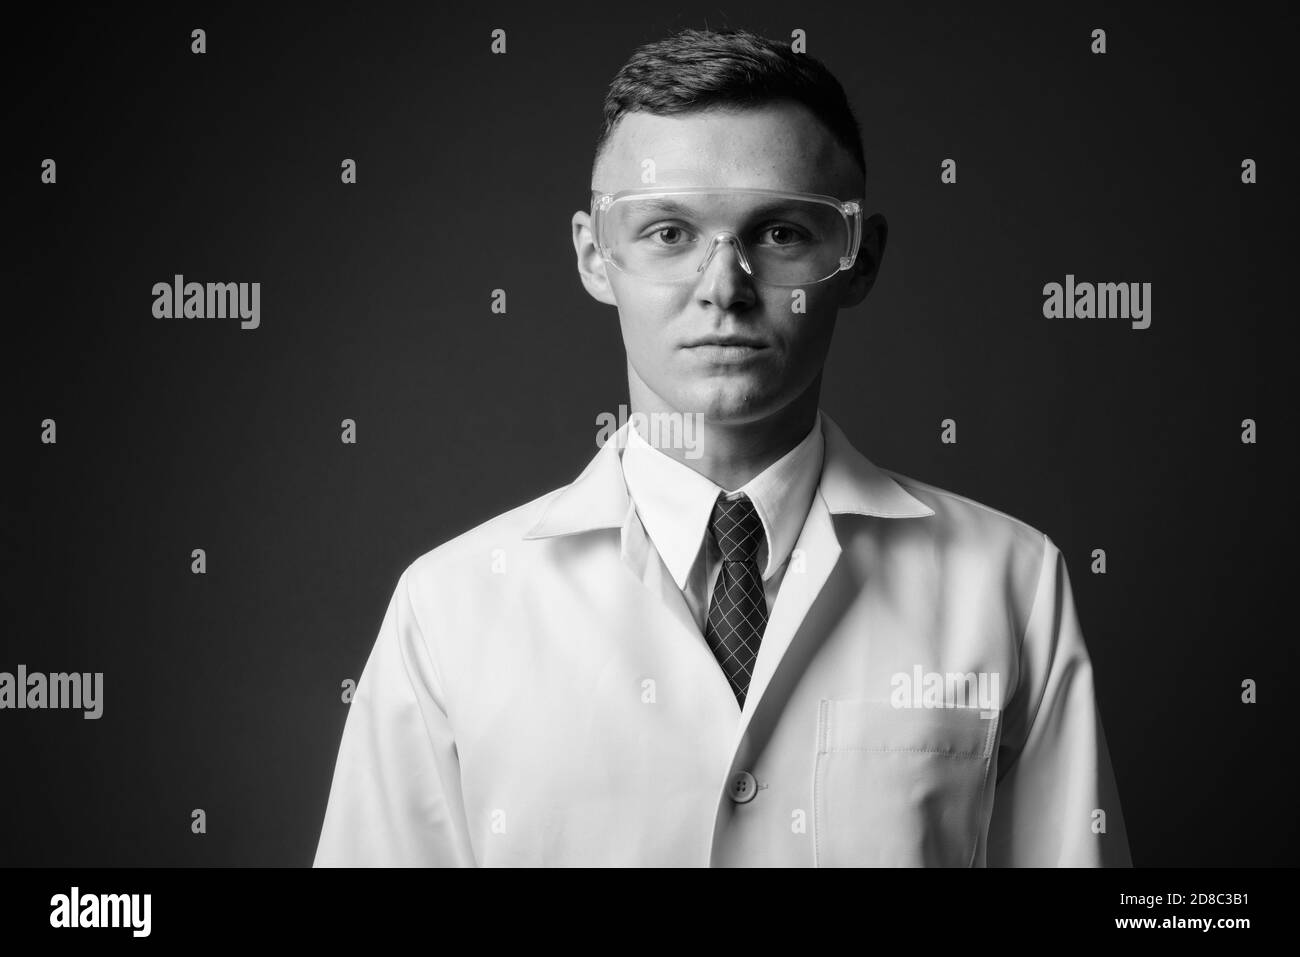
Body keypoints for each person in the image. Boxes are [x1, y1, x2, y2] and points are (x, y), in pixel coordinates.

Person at [313, 27, 1131, 867]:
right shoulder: (449, 610)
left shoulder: (1010, 583)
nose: (724, 288)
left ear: (860, 259)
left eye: (779, 233)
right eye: (668, 232)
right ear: (596, 257)